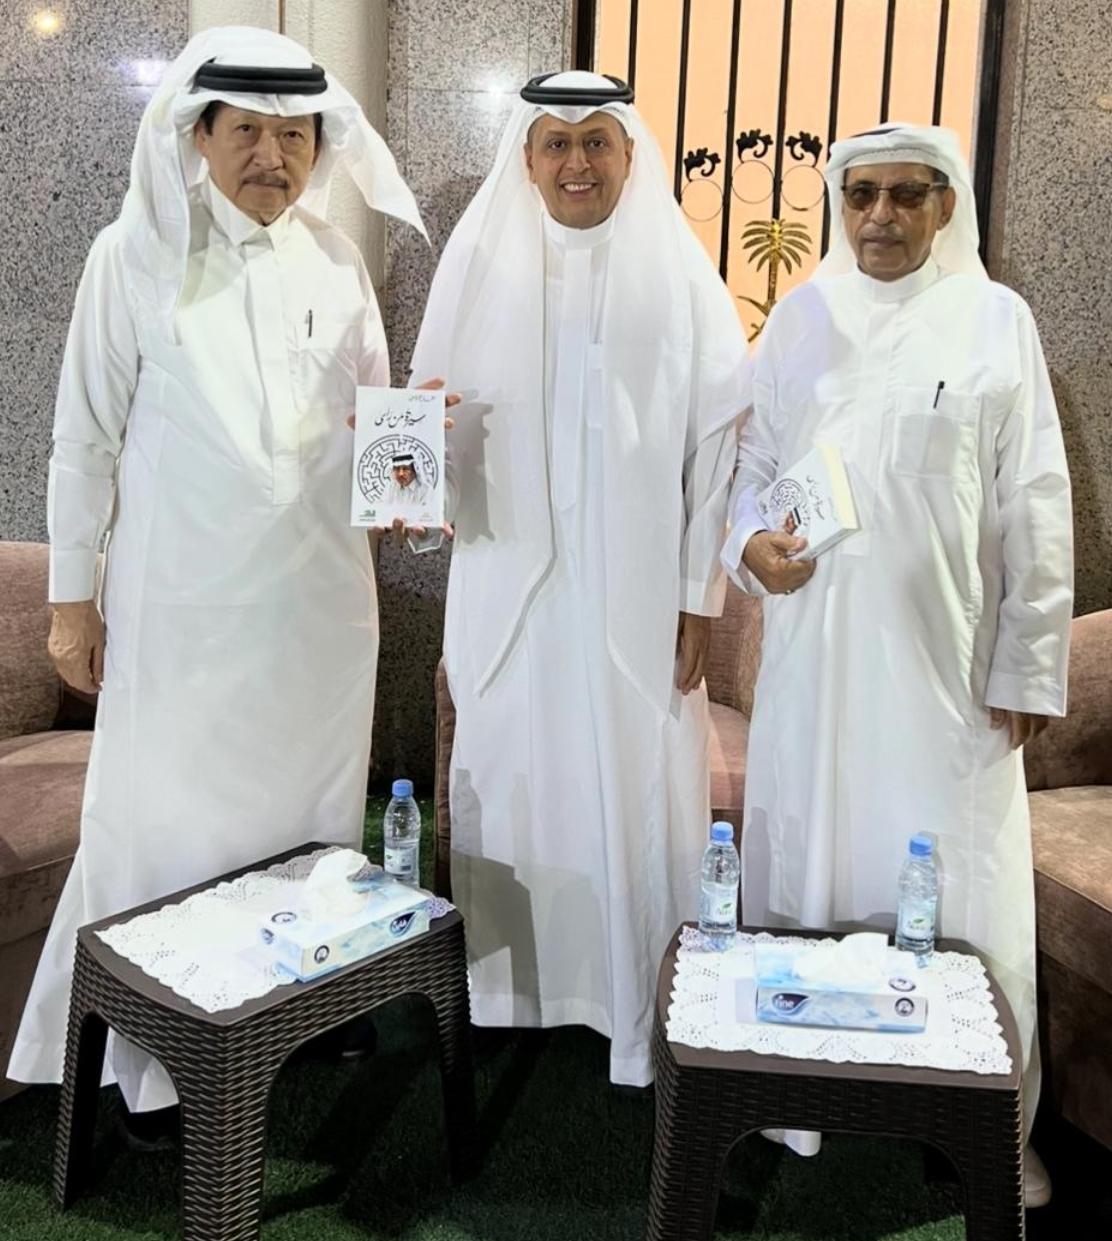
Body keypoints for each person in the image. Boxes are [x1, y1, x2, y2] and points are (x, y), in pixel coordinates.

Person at [7, 27, 426, 1134]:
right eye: (247, 131)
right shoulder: (131, 253)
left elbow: (373, 426)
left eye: (295, 135)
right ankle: (154, 1057)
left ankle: (302, 1009)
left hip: (319, 613)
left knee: (309, 817)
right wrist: (71, 603)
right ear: (198, 135)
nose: (272, 156)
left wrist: (410, 464)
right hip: (183, 613)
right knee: (173, 823)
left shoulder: (337, 262)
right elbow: (82, 440)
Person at [722, 122, 1073, 1205]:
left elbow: (1035, 501)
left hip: (945, 680)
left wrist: (1027, 664)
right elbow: (754, 461)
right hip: (814, 669)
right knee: (809, 870)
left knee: (962, 886)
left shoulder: (996, 321)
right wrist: (747, 542)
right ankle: (792, 1102)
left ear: (943, 205)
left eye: (905, 196)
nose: (879, 217)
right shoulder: (801, 318)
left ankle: (986, 1124)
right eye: (861, 195)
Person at [411, 71, 748, 1087]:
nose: (575, 162)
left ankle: (638, 1002)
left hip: (632, 594)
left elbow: (716, 451)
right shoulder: (477, 268)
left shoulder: (679, 274)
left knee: (635, 784)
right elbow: (422, 427)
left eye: (596, 141)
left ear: (629, 154)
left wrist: (698, 595)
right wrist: (407, 486)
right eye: (555, 143)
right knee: (512, 776)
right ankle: (513, 995)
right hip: (507, 589)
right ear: (525, 158)